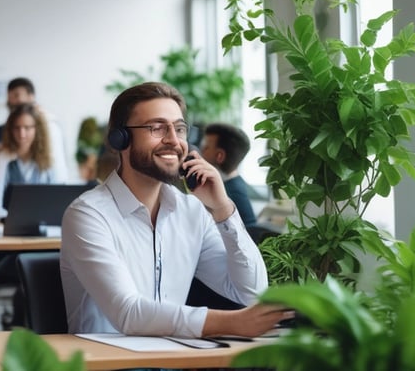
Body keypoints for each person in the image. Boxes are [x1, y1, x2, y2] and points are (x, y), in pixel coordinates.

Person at [60, 82, 291, 338]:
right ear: (120, 139)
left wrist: (223, 209)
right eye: (157, 128)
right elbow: (128, 313)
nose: (173, 140)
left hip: (173, 359)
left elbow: (251, 292)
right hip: (109, 364)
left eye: (179, 129)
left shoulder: (191, 210)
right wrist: (232, 323)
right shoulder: (88, 214)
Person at [0, 77, 69, 188]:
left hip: (52, 184)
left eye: (17, 95)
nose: (12, 101)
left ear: (31, 96)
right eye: (10, 97)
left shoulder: (48, 124)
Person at [0, 103, 67, 222]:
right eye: (17, 128)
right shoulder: (3, 158)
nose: (22, 134)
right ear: (10, 130)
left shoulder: (49, 159)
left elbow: (59, 200)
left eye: (27, 128)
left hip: (44, 226)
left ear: (37, 130)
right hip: (10, 227)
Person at [200, 123, 258, 227]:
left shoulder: (226, 195)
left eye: (206, 148)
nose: (201, 152)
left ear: (219, 156)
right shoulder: (236, 184)